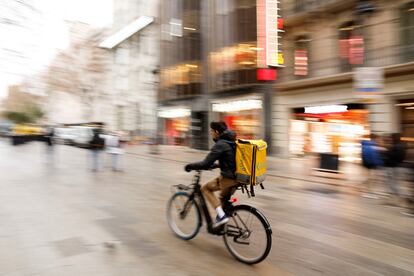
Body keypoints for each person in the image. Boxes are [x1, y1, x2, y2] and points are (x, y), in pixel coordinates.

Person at [184, 122, 238, 228]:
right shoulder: (231, 141)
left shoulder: (220, 144)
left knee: (205, 188)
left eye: (212, 131)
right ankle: (222, 225)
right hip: (238, 177)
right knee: (223, 200)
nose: (211, 133)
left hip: (228, 179)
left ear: (217, 132)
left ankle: (222, 217)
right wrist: (216, 165)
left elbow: (205, 163)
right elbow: (230, 159)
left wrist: (190, 166)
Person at [384, 133, 406, 203]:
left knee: (393, 184)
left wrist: (387, 153)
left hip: (392, 167)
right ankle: (397, 199)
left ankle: (404, 197)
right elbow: (401, 157)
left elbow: (393, 156)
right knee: (394, 184)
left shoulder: (396, 147)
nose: (390, 139)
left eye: (391, 138)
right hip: (396, 166)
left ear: (394, 138)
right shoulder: (400, 146)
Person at [361, 133, 384, 198]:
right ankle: (368, 192)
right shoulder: (372, 146)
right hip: (371, 164)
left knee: (372, 179)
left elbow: (375, 156)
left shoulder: (369, 145)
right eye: (379, 138)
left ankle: (368, 190)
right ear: (375, 138)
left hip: (370, 164)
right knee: (372, 179)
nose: (380, 140)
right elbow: (374, 156)